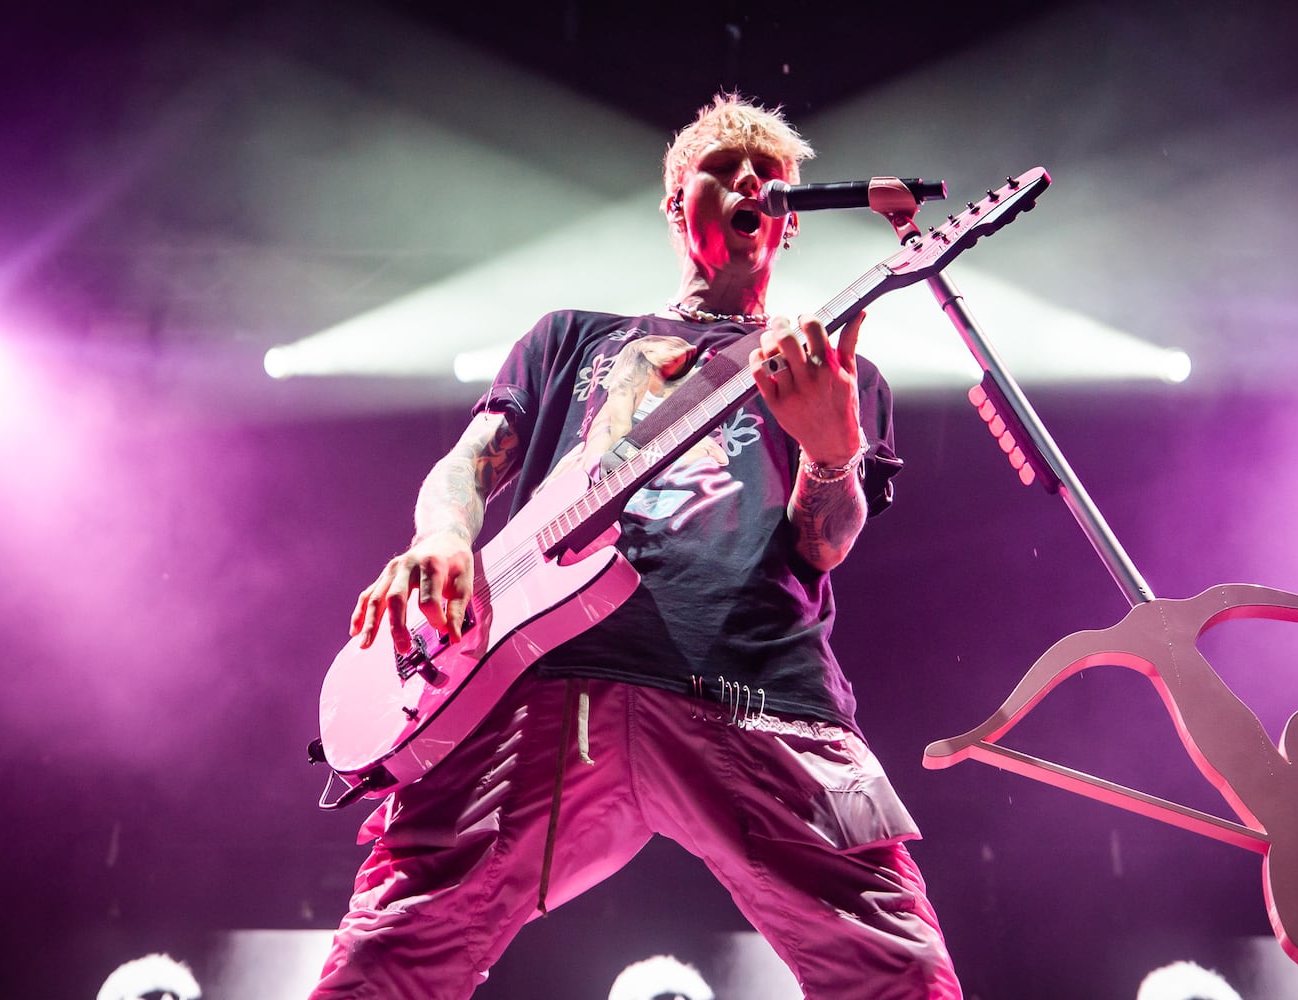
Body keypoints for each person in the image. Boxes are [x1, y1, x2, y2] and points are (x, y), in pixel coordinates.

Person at [310, 93, 961, 1000]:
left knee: (900, 969)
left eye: (768, 177)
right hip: (532, 682)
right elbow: (467, 465)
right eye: (723, 170)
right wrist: (444, 535)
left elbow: (825, 546)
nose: (750, 184)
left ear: (790, 223)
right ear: (675, 203)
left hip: (757, 689)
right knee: (386, 958)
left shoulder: (833, 371)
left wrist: (829, 451)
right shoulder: (571, 341)